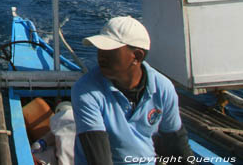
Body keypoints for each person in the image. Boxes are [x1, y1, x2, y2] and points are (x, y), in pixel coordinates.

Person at [72, 16, 194, 164]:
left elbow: (176, 143)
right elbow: (98, 156)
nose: (101, 55)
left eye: (109, 50)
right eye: (100, 48)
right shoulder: (86, 90)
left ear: (137, 56)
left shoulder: (163, 88)